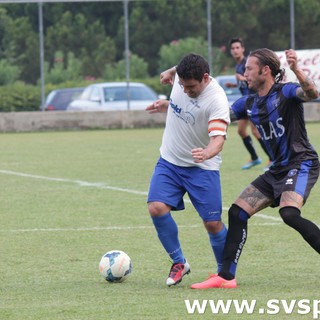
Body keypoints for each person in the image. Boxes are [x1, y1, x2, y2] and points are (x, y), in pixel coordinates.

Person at [190, 48, 320, 289]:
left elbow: (312, 92)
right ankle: (226, 277)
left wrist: (297, 70)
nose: (245, 74)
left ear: (265, 70)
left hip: (301, 162)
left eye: (249, 69)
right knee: (237, 212)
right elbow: (218, 115)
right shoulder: (247, 103)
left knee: (289, 213)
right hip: (277, 170)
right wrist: (172, 105)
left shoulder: (286, 91)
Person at [146, 53, 230, 286]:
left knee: (212, 223)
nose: (185, 90)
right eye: (181, 85)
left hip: (203, 167)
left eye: (190, 87)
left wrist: (207, 153)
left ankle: (224, 273)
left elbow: (218, 139)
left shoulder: (217, 100)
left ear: (204, 78)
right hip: (170, 160)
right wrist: (170, 75)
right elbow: (179, 69)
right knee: (156, 207)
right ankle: (179, 262)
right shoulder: (181, 78)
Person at [229, 37, 272, 170]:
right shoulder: (237, 65)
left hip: (253, 100)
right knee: (241, 131)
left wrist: (241, 77)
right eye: (233, 48)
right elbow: (243, 84)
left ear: (243, 49)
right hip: (244, 103)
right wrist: (233, 84)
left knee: (255, 131)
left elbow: (253, 79)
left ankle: (273, 159)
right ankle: (254, 158)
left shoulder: (247, 63)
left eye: (237, 48)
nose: (235, 50)